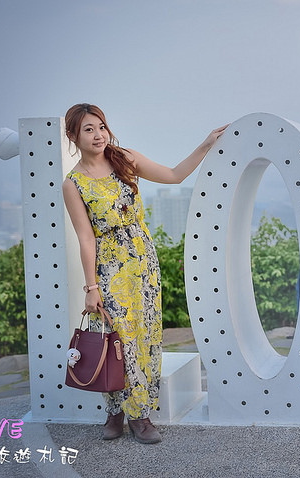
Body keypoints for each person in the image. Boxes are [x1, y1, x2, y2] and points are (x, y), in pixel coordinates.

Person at [62, 103, 227, 444]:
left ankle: (140, 415)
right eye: (88, 130)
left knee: (146, 336)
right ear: (73, 136)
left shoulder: (125, 158)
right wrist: (91, 286)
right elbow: (85, 237)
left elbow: (174, 175)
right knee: (116, 339)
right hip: (109, 267)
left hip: (142, 261)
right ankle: (115, 411)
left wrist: (206, 144)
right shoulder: (73, 183)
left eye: (101, 127)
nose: (98, 135)